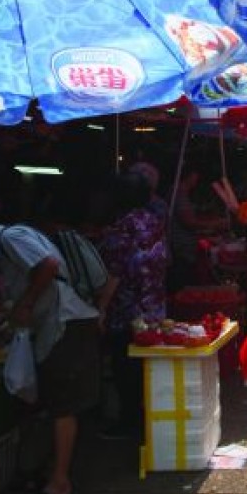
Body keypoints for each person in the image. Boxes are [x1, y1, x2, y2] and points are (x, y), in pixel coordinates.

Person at [0, 217, 101, 494]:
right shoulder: (14, 241)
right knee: (56, 401)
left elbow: (48, 266)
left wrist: (25, 304)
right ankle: (51, 472)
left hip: (66, 321)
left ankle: (59, 484)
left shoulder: (11, 238)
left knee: (62, 404)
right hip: (61, 322)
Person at [97, 171, 168, 440]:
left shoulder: (122, 226)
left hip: (128, 308)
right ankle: (150, 419)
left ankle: (131, 423)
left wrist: (102, 307)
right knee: (147, 365)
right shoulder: (154, 220)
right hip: (154, 304)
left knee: (125, 367)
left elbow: (116, 270)